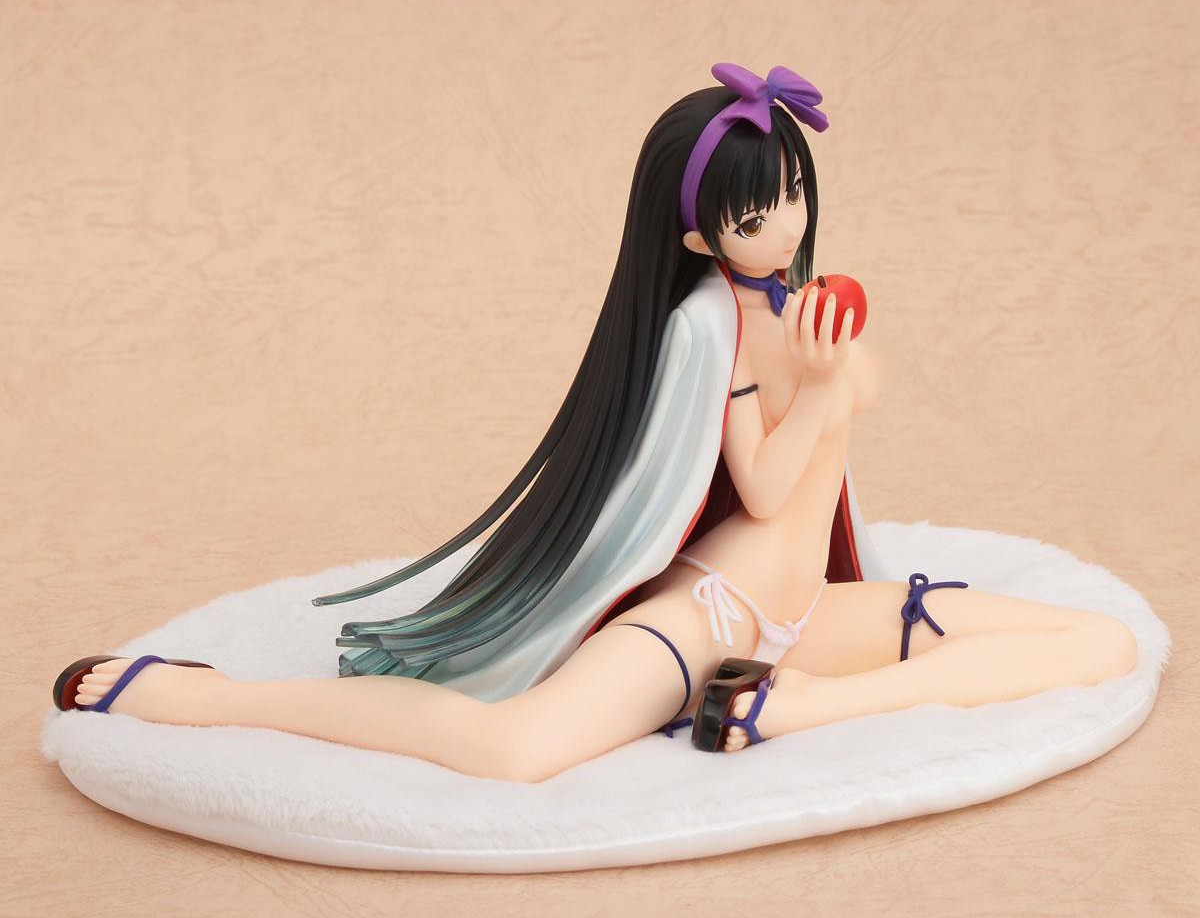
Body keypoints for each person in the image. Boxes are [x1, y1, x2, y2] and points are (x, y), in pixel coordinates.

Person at [52, 63, 1138, 781]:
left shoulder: (797, 306)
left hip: (802, 623)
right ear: (702, 236)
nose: (785, 225)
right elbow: (765, 490)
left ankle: (790, 711)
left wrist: (830, 364)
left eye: (793, 195)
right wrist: (818, 385)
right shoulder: (708, 324)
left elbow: (854, 404)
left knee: (1100, 642)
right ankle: (206, 701)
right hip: (709, 615)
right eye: (755, 213)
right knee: (515, 750)